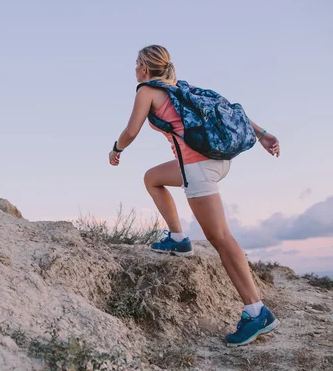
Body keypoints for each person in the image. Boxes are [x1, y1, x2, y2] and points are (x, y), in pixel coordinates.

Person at [109, 45, 280, 347]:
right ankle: (178, 239)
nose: (135, 70)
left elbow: (131, 130)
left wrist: (116, 149)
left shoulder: (147, 90)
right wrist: (262, 133)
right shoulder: (181, 88)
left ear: (144, 68)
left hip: (198, 167)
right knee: (152, 178)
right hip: (215, 161)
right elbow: (229, 108)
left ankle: (257, 311)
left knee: (221, 238)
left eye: (136, 65)